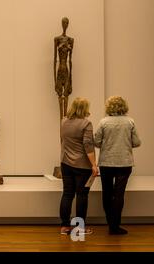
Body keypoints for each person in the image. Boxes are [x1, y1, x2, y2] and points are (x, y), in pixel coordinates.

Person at [94, 96, 141, 235]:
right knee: (119, 195)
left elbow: (96, 142)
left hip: (106, 162)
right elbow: (137, 142)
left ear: (109, 107)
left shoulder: (103, 122)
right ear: (124, 106)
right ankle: (115, 226)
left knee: (107, 193)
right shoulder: (130, 121)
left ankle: (110, 224)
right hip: (124, 162)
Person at [59, 97, 99, 235]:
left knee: (67, 194)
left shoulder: (63, 121)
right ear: (84, 108)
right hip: (82, 166)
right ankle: (79, 228)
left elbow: (64, 140)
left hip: (65, 163)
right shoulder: (86, 124)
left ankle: (64, 226)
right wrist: (94, 164)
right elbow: (88, 145)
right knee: (81, 196)